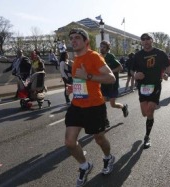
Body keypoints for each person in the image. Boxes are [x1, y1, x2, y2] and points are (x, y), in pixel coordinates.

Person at [65, 28, 116, 187]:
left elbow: (111, 78)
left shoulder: (94, 56)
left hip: (94, 106)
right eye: (71, 38)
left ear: (86, 42)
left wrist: (87, 76)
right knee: (70, 142)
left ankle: (108, 158)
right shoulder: (76, 60)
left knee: (99, 139)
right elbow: (81, 82)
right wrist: (73, 88)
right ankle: (84, 166)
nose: (73, 40)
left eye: (77, 38)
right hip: (77, 105)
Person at [133, 33, 170, 149]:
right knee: (144, 113)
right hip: (142, 86)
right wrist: (135, 75)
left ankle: (147, 136)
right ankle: (148, 122)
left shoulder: (160, 53)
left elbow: (168, 66)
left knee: (149, 111)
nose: (145, 41)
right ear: (141, 42)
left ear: (152, 40)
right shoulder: (138, 55)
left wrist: (166, 74)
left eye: (148, 39)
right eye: (143, 39)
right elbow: (131, 70)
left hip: (155, 85)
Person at [100, 40, 129, 128]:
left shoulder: (110, 56)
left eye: (104, 47)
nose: (101, 48)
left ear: (107, 48)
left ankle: (124, 107)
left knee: (112, 104)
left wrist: (110, 72)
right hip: (103, 84)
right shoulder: (98, 57)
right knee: (102, 103)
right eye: (101, 46)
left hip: (113, 84)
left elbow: (120, 67)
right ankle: (105, 120)